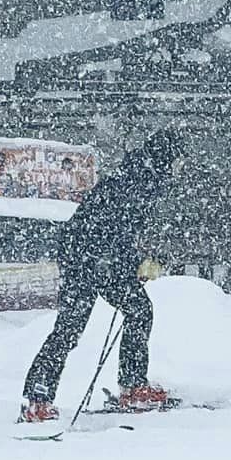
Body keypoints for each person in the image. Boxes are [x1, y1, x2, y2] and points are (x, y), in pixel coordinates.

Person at [19, 132, 179, 422]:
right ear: (165, 159)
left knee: (139, 310)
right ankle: (37, 398)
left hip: (104, 259)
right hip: (85, 259)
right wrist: (136, 262)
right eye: (177, 161)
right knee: (69, 329)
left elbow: (122, 234)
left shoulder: (143, 178)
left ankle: (132, 385)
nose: (178, 168)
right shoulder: (135, 182)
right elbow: (111, 231)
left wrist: (137, 261)